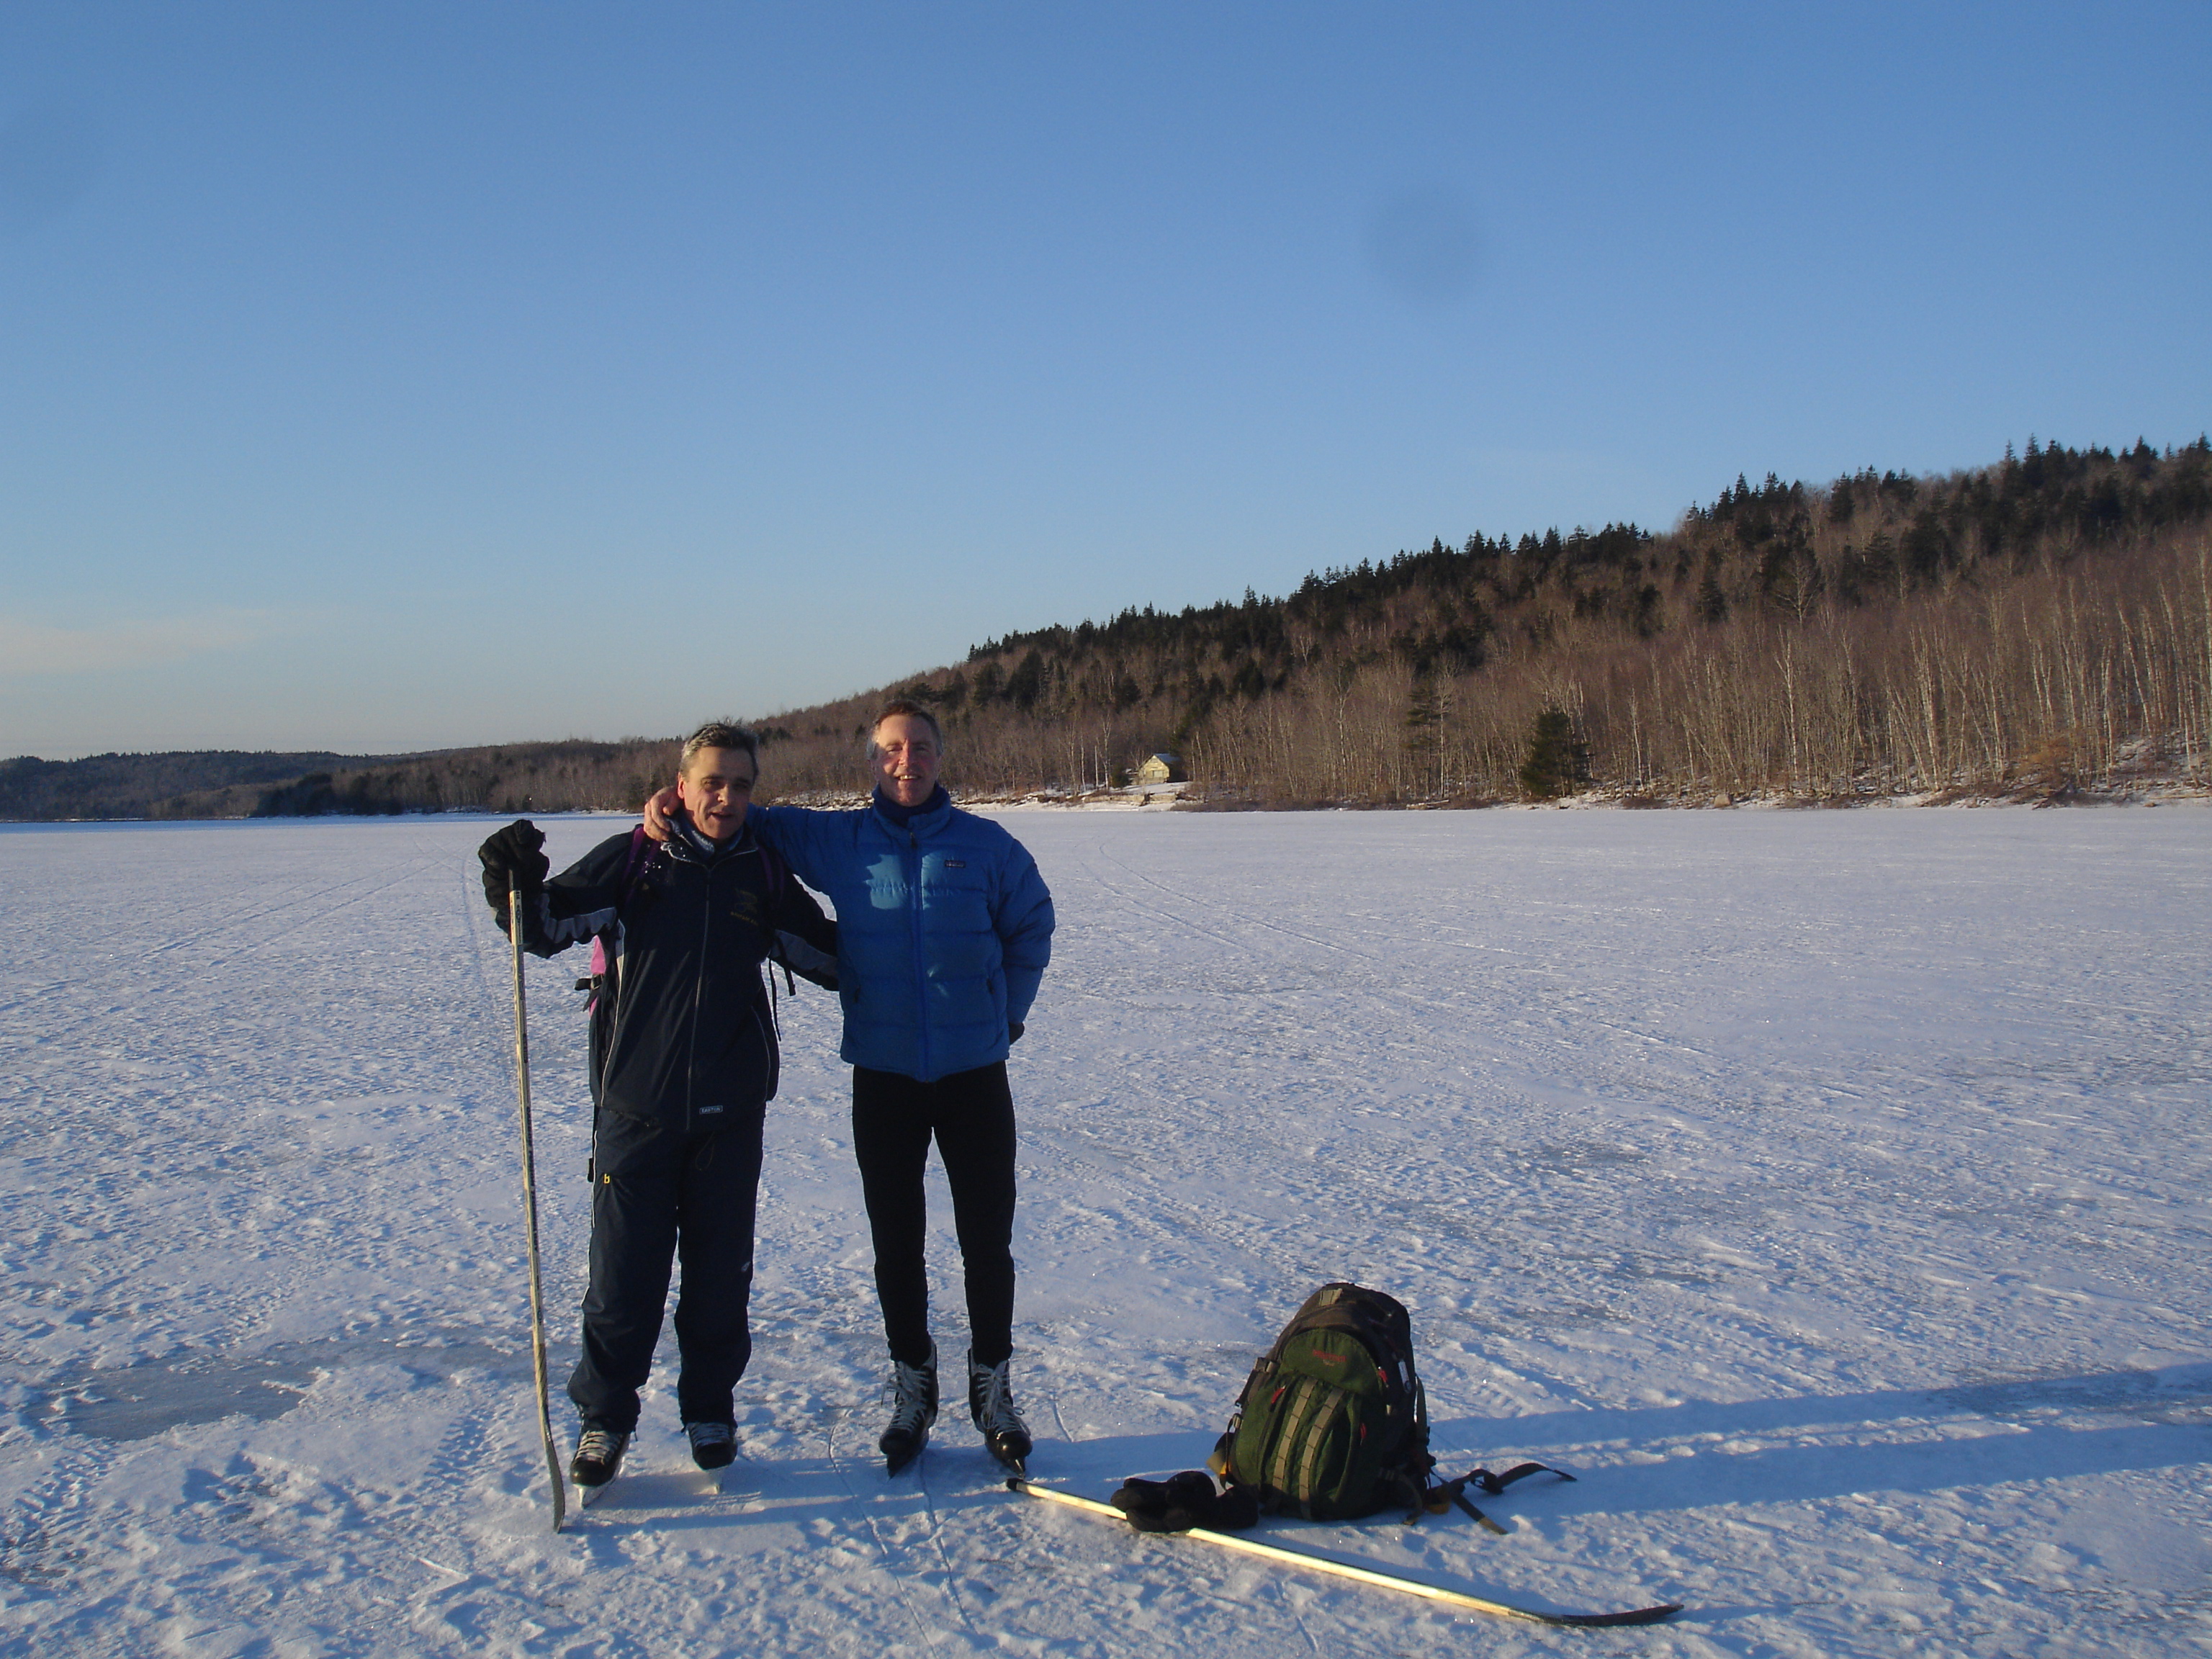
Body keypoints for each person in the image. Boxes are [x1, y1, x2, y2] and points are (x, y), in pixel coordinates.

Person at [644, 698, 1054, 1473]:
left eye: (921, 748)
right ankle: (913, 1389)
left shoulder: (986, 846)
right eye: (892, 750)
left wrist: (1011, 1018)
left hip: (974, 1074)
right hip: (885, 1077)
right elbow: (746, 817)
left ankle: (992, 1388)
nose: (908, 762)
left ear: (940, 757)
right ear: (871, 762)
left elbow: (1032, 924)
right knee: (895, 1244)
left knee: (985, 1241)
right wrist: (671, 801)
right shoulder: (837, 841)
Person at [477, 721, 837, 1492]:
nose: (728, 798)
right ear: (683, 786)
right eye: (714, 782)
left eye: (742, 784)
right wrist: (510, 882)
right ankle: (605, 1419)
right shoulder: (636, 859)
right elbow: (542, 928)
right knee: (622, 1283)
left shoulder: (761, 873)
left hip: (730, 1116)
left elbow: (831, 957)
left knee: (718, 1280)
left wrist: (916, 934)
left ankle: (710, 1408)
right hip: (635, 1110)